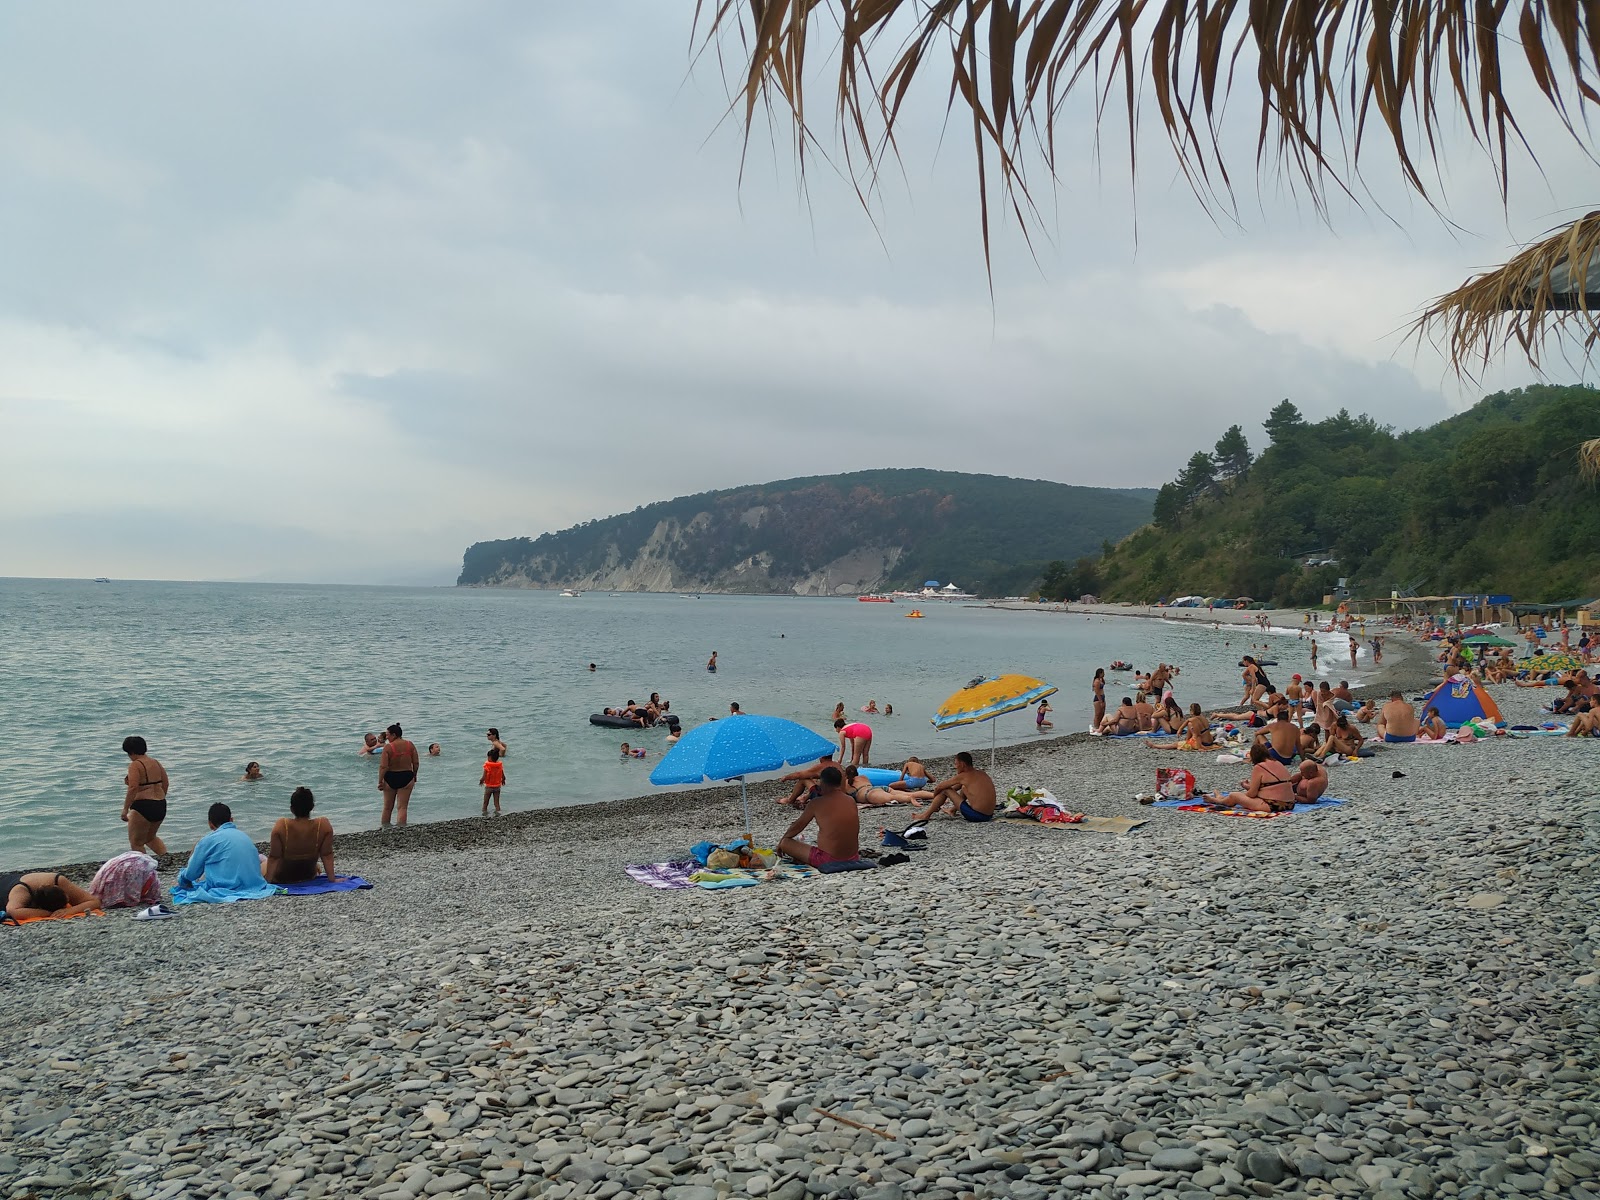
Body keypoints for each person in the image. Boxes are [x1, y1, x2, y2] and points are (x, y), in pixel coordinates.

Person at [175, 803, 276, 902]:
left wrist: (182, 877)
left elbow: (192, 874)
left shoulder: (208, 840)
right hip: (254, 885)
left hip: (227, 886)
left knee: (198, 858)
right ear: (231, 820)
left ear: (210, 824)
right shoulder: (244, 836)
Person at [777, 766, 861, 868]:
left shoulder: (816, 803)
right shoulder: (850, 800)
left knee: (785, 843)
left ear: (823, 783)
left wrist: (782, 840)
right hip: (853, 857)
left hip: (828, 859)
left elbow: (798, 826)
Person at [261, 787, 337, 884]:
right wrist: (332, 880)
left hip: (282, 877)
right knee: (316, 866)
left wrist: (268, 882)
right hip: (308, 875)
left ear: (292, 809)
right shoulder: (323, 825)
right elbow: (327, 855)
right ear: (312, 807)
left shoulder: (282, 825)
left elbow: (274, 857)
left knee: (262, 864)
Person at [1203, 744, 1296, 813]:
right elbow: (1272, 786)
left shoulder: (1259, 767)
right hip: (1290, 804)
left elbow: (1252, 794)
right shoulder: (1278, 763)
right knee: (1240, 795)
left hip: (1272, 805)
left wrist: (1245, 793)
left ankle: (1217, 800)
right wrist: (1247, 787)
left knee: (1234, 795)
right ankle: (1222, 798)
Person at [909, 751, 997, 822]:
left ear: (962, 765)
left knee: (945, 790)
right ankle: (952, 810)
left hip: (977, 816)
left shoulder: (964, 776)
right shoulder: (981, 773)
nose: (955, 767)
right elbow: (955, 789)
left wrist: (935, 797)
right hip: (989, 815)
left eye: (956, 764)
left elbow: (940, 787)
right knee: (963, 787)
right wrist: (939, 800)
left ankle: (925, 815)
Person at [121, 735, 169, 857]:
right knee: (150, 837)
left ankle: (144, 869)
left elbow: (133, 787)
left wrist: (125, 809)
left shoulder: (135, 765)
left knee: (136, 842)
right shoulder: (155, 762)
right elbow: (166, 783)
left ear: (131, 752)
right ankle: (166, 858)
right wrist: (159, 798)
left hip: (143, 806)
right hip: (160, 804)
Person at [2, 871, 102, 921]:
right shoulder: (21, 891)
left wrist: (69, 911)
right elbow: (12, 911)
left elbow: (95, 901)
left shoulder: (58, 881)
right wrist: (48, 913)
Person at [378, 723, 420, 828]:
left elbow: (383, 766)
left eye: (387, 735)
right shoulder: (410, 745)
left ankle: (385, 828)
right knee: (402, 807)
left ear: (394, 735)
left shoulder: (388, 747)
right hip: (407, 776)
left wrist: (380, 781)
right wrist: (414, 775)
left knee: (387, 807)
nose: (386, 737)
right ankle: (401, 829)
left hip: (390, 776)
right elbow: (416, 763)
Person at [841, 766, 914, 807]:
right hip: (877, 788)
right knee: (907, 794)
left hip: (870, 794)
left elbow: (842, 796)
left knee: (892, 798)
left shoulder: (846, 783)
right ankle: (921, 795)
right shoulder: (863, 777)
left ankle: (910, 799)